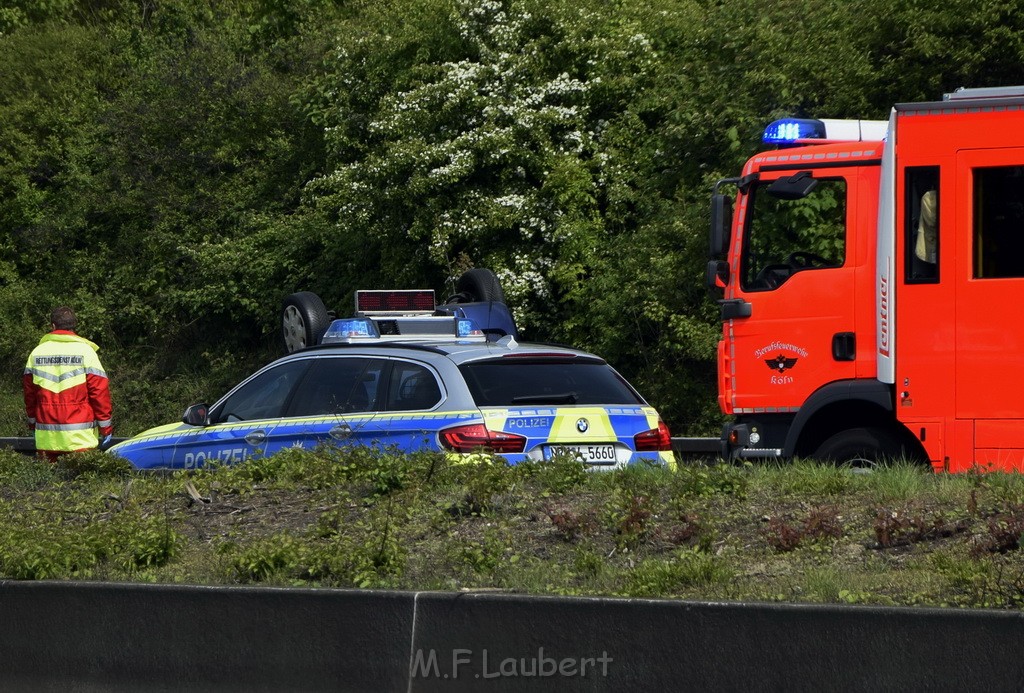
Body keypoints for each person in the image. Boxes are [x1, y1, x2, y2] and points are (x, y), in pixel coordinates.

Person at [23, 306, 113, 461]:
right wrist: (105, 427)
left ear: (53, 326)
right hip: (80, 438)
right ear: (73, 326)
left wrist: (32, 425)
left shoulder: (36, 353)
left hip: (47, 438)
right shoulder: (86, 352)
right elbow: (99, 392)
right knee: (81, 482)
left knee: (47, 483)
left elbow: (29, 396)